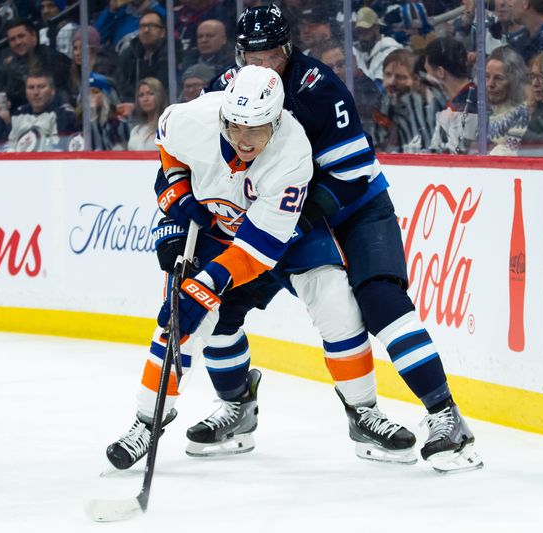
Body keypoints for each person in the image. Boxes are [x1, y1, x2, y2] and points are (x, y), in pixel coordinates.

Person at [200, 6, 482, 473]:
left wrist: (292, 217)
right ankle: (237, 407)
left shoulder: (317, 86)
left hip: (351, 207)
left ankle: (445, 416)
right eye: (253, 57)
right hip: (277, 217)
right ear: (239, 54)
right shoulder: (223, 91)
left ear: (287, 51)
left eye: (271, 57)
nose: (261, 67)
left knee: (379, 300)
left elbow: (350, 171)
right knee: (220, 306)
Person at [106, 64, 414, 470]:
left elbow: (258, 249)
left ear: (278, 120)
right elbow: (169, 151)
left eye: (256, 129)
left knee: (335, 300)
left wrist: (206, 284)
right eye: (235, 126)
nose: (244, 139)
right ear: (222, 115)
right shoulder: (191, 118)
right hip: (220, 225)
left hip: (283, 234)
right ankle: (149, 422)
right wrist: (179, 203)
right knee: (183, 321)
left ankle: (363, 411)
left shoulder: (292, 153)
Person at [0, 18, 72, 109]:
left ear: (34, 36)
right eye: (12, 39)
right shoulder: (6, 65)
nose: (17, 42)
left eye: (21, 36)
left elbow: (61, 92)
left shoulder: (53, 58)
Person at [372, 49, 435, 153]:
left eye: (400, 77)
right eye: (387, 75)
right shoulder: (381, 108)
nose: (391, 82)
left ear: (415, 80)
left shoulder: (430, 110)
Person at [424, 36, 479, 155]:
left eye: (428, 72)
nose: (427, 78)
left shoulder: (468, 106)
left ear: (440, 72)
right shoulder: (465, 98)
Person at [0, 71, 76, 151]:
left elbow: (61, 149)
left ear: (52, 91)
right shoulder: (19, 113)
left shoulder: (63, 113)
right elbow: (8, 146)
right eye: (31, 88)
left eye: (41, 87)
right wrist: (6, 123)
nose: (36, 92)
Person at [115, 10, 179, 102]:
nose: (146, 30)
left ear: (162, 32)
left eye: (151, 26)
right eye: (142, 26)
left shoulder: (172, 52)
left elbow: (168, 88)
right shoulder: (129, 53)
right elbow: (122, 85)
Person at [319, 40, 380, 136]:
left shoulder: (366, 88)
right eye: (329, 68)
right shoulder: (320, 92)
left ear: (354, 61)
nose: (336, 71)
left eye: (340, 64)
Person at [485, 45, 529, 156]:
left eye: (498, 78)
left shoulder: (522, 113)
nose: (490, 84)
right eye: (487, 77)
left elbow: (510, 154)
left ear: (514, 80)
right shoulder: (484, 109)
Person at [73, 72, 128, 151]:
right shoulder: (75, 123)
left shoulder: (118, 125)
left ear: (106, 96)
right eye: (87, 93)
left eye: (95, 92)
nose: (91, 96)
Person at [352, 6, 403, 90]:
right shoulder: (359, 52)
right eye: (359, 32)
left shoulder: (391, 51)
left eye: (365, 30)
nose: (361, 36)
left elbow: (380, 88)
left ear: (376, 28)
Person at [94, 0, 166, 51]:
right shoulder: (119, 12)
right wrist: (111, 10)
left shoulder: (161, 14)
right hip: (118, 64)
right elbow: (95, 39)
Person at [127, 76, 166, 150]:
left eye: (150, 93)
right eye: (141, 95)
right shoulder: (135, 130)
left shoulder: (167, 128)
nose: (145, 99)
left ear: (160, 96)